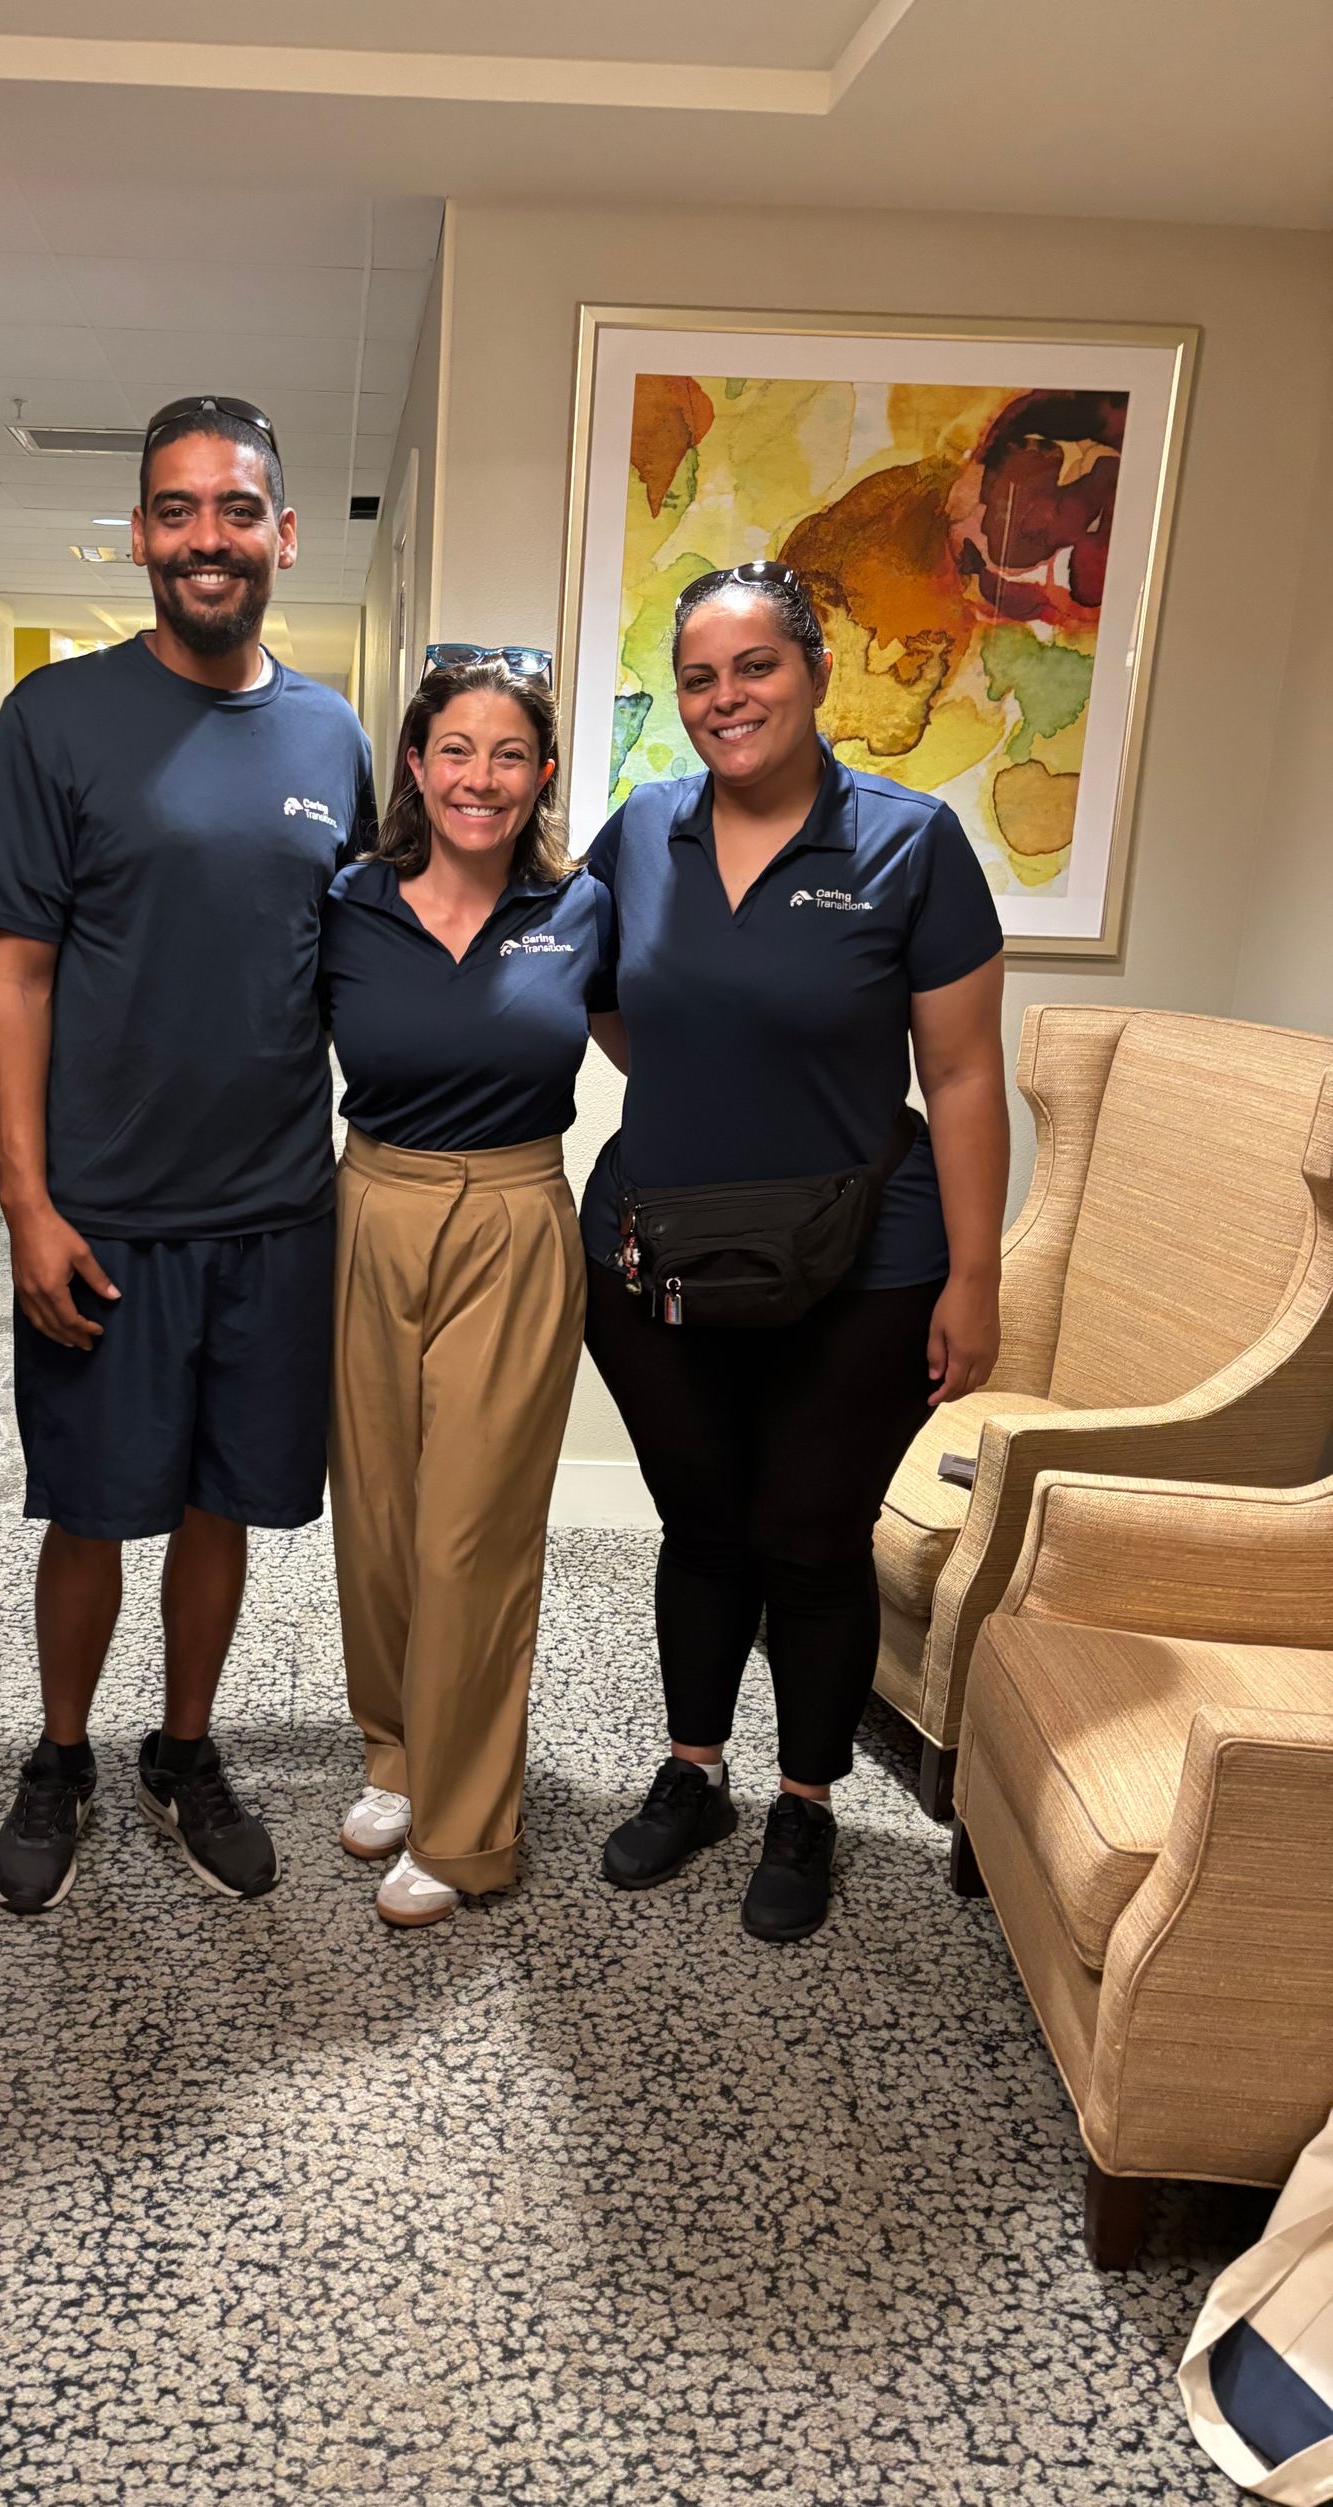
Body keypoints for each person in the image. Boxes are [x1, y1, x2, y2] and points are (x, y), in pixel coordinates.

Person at [0, 394, 375, 1915]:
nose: (210, 537)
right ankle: (60, 1750)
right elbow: (12, 967)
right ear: (140, 534)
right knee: (89, 1506)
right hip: (107, 1214)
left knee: (223, 1504)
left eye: (237, 509)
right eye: (179, 509)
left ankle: (183, 1745)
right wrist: (28, 1200)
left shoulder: (332, 733)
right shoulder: (57, 721)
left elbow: (358, 954)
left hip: (274, 1209)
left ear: (279, 531)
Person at [582, 561, 1007, 1942]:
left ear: (817, 671)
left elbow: (959, 1080)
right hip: (661, 1255)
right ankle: (693, 1773)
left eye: (754, 666)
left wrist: (977, 1273)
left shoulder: (909, 841)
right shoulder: (641, 833)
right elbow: (601, 998)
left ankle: (806, 1802)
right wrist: (716, 1087)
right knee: (703, 1525)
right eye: (699, 676)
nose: (725, 698)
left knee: (811, 1536)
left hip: (867, 1262)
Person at [323, 661, 612, 1926]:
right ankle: (398, 1753)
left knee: (470, 1537)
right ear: (416, 767)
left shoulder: (586, 907)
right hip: (369, 1207)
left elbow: (674, 1036)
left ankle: (468, 1829)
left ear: (541, 775)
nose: (478, 779)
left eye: (507, 755)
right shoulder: (348, 901)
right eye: (454, 751)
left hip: (512, 1215)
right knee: (379, 1523)